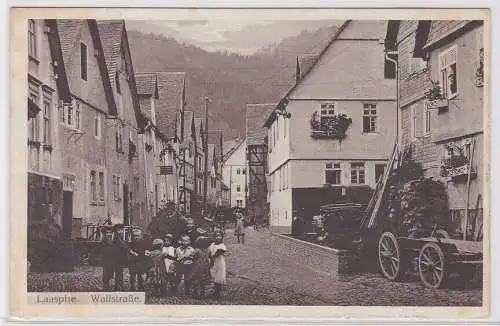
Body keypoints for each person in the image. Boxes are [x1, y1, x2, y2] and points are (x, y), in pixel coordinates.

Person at [101, 225, 128, 291]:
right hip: (108, 260)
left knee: (119, 275)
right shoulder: (103, 242)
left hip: (118, 260)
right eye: (107, 233)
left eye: (110, 232)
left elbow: (123, 248)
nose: (108, 234)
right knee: (106, 275)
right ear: (104, 234)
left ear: (113, 233)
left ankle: (119, 287)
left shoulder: (117, 239)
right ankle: (106, 287)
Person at [207, 230, 227, 300]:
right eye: (216, 236)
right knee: (214, 278)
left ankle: (217, 294)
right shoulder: (212, 245)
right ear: (214, 237)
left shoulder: (222, 246)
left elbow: (217, 253)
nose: (218, 237)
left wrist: (212, 258)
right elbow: (209, 253)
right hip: (213, 263)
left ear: (222, 237)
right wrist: (210, 259)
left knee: (219, 279)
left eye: (220, 236)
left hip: (219, 264)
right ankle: (214, 292)